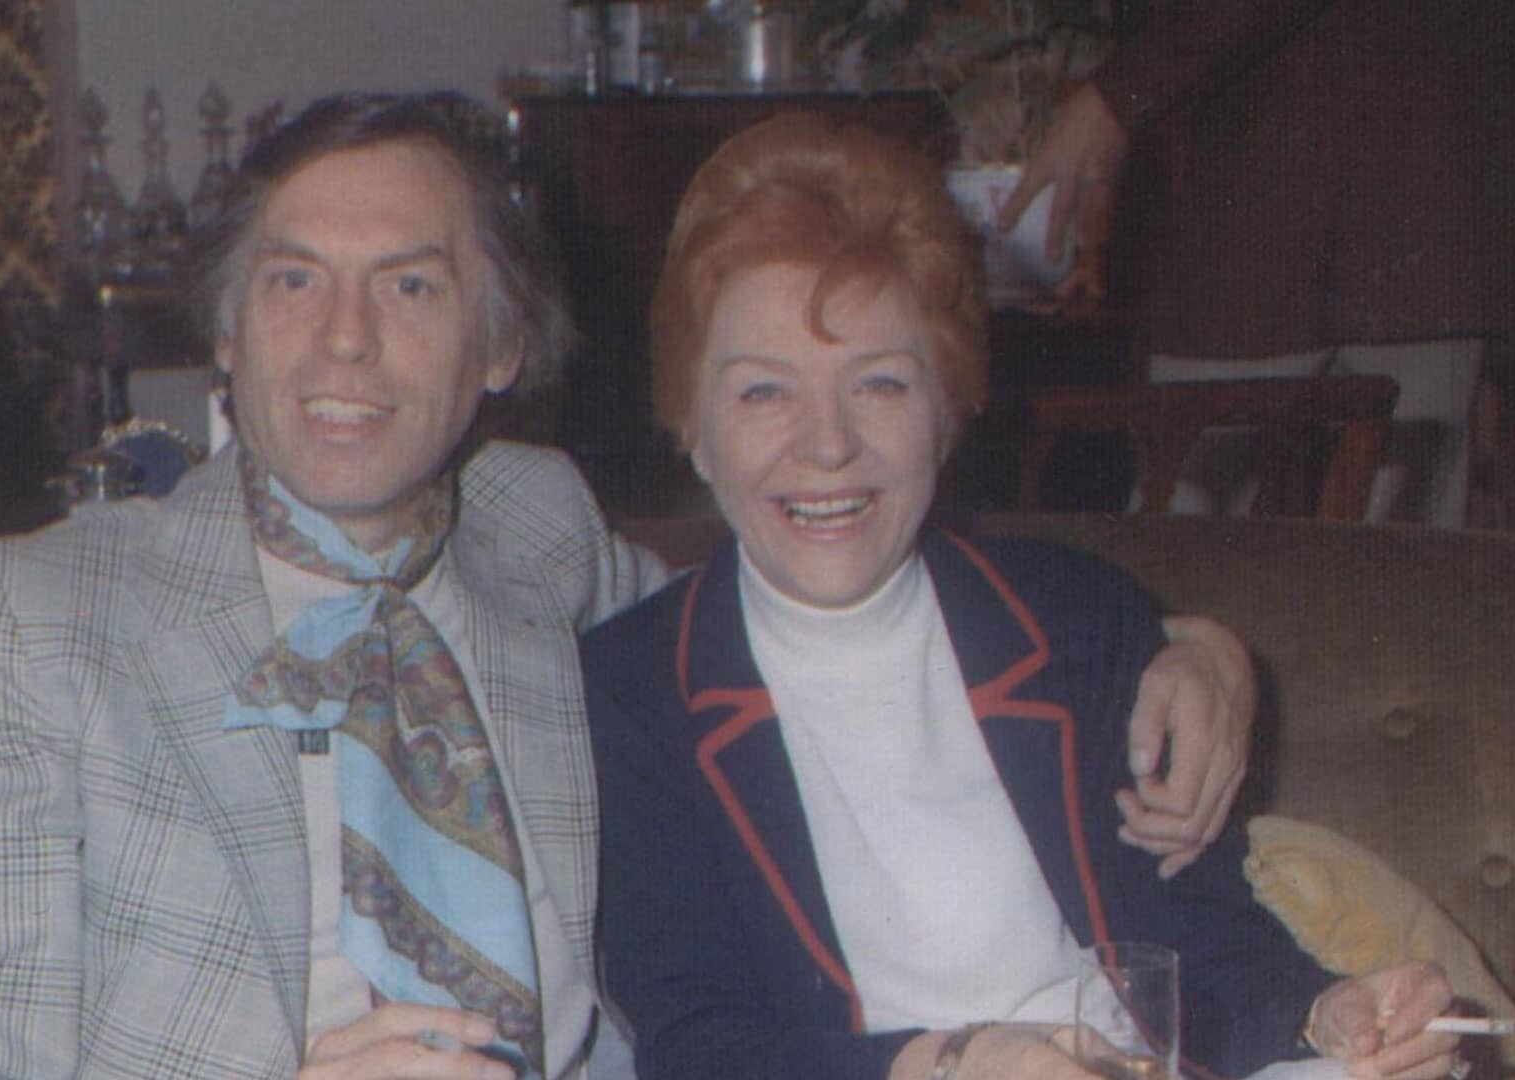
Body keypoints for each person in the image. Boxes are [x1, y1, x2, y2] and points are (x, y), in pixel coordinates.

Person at [0, 94, 1257, 1079]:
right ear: (224, 328)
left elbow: (830, 592)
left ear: (502, 346)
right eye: (291, 284)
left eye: (410, 287)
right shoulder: (25, 620)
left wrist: (1188, 648)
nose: (345, 346)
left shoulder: (547, 539)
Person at [584, 112, 1465, 1080]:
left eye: (878, 385)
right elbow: (698, 1046)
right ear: (693, 428)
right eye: (763, 393)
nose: (827, 444)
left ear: (948, 411)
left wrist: (1332, 1014)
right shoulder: (630, 697)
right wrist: (955, 1063)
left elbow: (1200, 945)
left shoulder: (1079, 621)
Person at [1003, 1, 1515, 528]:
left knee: (1190, 546)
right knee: (1395, 563)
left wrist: (1113, 100)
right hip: (1416, 213)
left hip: (1306, 223)